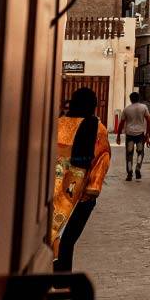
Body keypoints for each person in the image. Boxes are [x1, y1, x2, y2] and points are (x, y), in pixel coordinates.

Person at [49, 87, 111, 272]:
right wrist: (92, 189)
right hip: (79, 194)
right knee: (68, 240)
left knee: (51, 234)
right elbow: (102, 160)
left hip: (52, 191)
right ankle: (62, 278)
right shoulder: (97, 128)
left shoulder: (57, 123)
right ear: (93, 106)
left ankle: (52, 270)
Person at [116, 91, 150, 181]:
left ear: (130, 99)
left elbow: (121, 123)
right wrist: (148, 134)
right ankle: (138, 168)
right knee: (140, 152)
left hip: (130, 134)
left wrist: (118, 136)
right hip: (140, 134)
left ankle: (130, 173)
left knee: (129, 154)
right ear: (139, 98)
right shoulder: (144, 107)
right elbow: (149, 120)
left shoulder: (127, 109)